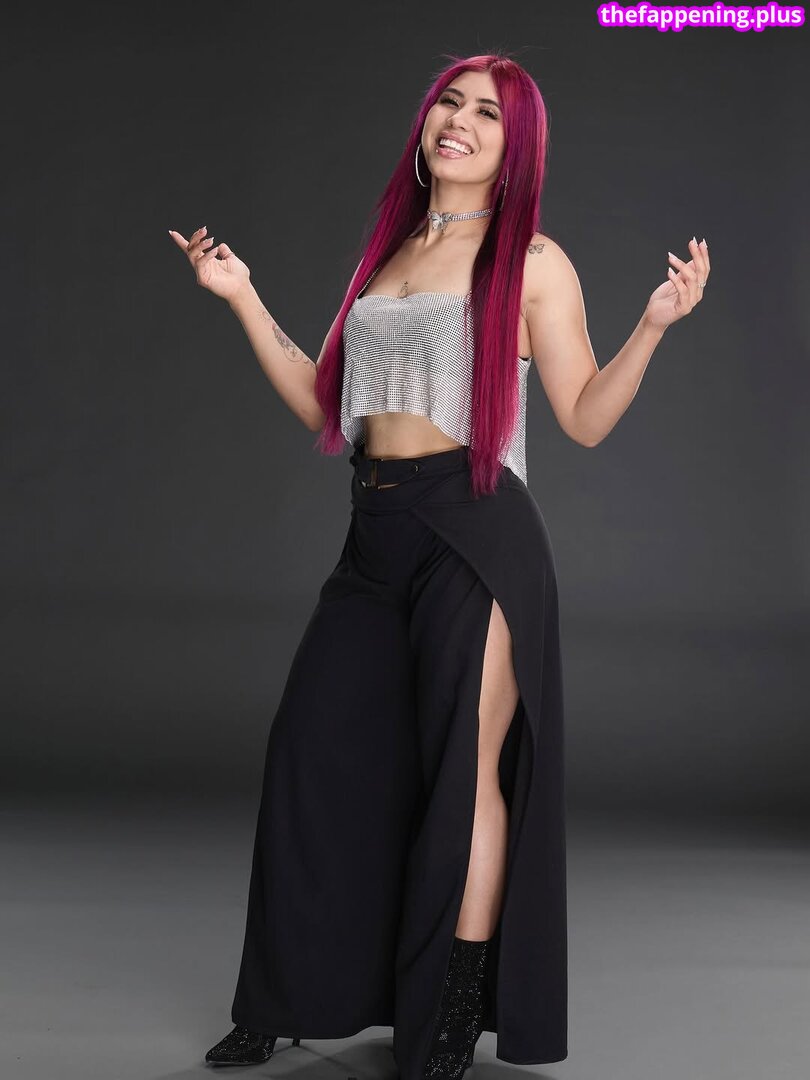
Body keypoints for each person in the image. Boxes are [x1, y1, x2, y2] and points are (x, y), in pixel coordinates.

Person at [169, 51, 710, 1079]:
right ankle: (287, 994)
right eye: (450, 103)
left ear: (516, 148)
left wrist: (653, 325)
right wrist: (239, 294)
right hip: (374, 532)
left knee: (465, 776)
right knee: (309, 756)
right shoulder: (386, 253)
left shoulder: (532, 260)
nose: (460, 121)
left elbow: (584, 416)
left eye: (487, 114)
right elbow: (326, 401)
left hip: (477, 531)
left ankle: (450, 1016)